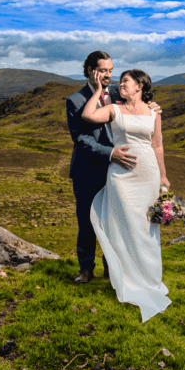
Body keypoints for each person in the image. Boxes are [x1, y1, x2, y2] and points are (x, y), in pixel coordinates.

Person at [81, 68, 171, 322]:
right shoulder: (114, 109)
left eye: (126, 82)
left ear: (140, 86)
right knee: (124, 226)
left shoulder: (154, 111)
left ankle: (149, 278)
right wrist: (99, 91)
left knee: (147, 229)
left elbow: (157, 144)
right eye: (120, 82)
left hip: (148, 174)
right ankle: (126, 278)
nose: (121, 85)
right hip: (121, 177)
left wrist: (163, 177)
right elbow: (88, 115)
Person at [65, 51, 124, 284]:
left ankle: (112, 269)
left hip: (117, 172)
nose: (109, 75)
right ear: (91, 70)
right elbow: (80, 139)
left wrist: (153, 106)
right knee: (87, 224)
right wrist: (110, 153)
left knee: (114, 223)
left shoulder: (120, 93)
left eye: (111, 70)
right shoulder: (75, 100)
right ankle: (86, 269)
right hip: (87, 172)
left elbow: (140, 106)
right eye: (103, 71)